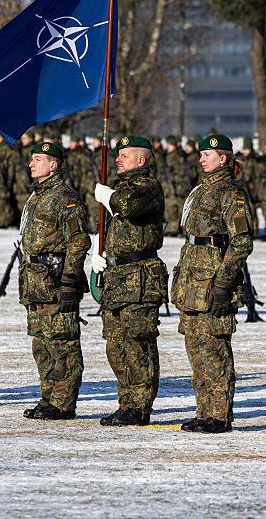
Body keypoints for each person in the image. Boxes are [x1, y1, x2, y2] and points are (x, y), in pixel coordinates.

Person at [171, 134, 254, 434]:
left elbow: (242, 241)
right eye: (201, 153)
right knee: (197, 351)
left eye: (209, 154)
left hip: (213, 283)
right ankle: (204, 411)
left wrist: (223, 282)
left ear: (224, 159)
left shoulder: (231, 194)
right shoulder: (200, 192)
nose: (202, 158)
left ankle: (219, 416)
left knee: (215, 351)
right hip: (192, 284)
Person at [91, 136, 168, 426]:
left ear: (142, 160)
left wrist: (108, 196)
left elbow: (129, 208)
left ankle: (140, 405)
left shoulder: (148, 186)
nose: (118, 159)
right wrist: (99, 249)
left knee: (138, 342)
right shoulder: (122, 189)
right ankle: (126, 402)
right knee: (116, 344)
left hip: (140, 276)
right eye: (118, 154)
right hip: (117, 276)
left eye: (125, 155)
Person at [19, 141, 91, 420]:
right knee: (42, 344)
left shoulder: (65, 198)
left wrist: (71, 279)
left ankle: (63, 402)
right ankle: (48, 397)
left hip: (56, 280)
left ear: (54, 164)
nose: (31, 164)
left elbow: (78, 241)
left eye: (38, 159)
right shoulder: (36, 197)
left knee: (62, 344)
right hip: (35, 281)